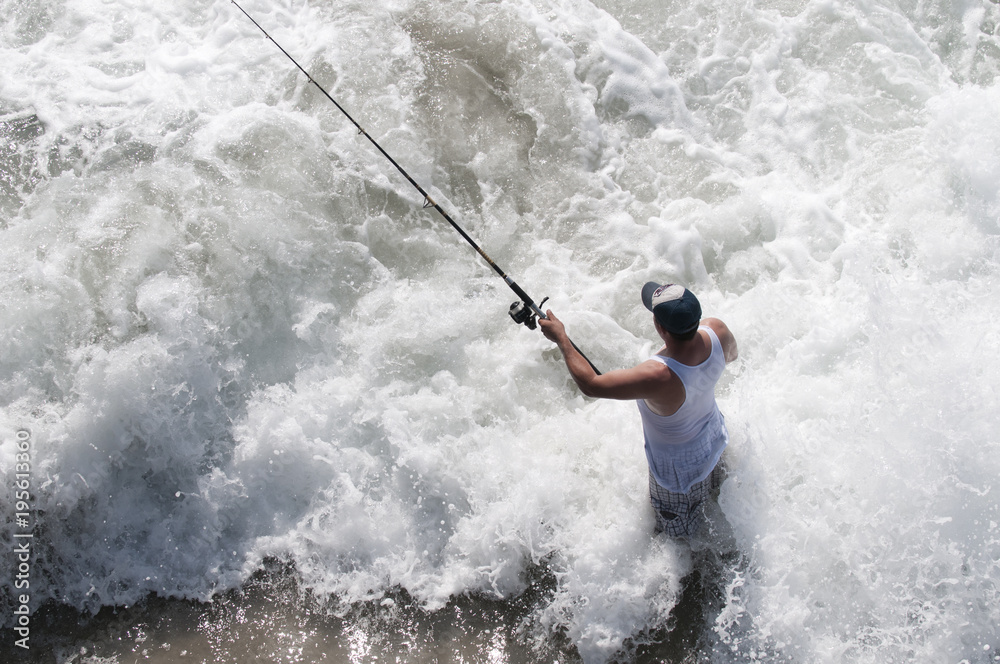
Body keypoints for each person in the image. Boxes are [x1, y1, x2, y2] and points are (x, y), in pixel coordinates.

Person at [538, 282, 738, 537]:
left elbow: (591, 384)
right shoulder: (717, 330)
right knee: (716, 499)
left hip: (678, 475)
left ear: (660, 327)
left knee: (679, 536)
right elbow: (731, 355)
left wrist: (561, 338)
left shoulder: (658, 375)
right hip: (714, 438)